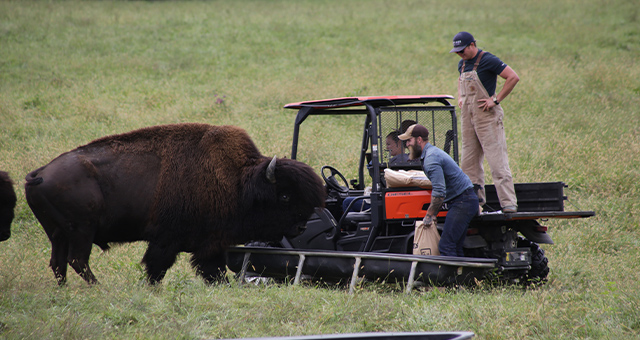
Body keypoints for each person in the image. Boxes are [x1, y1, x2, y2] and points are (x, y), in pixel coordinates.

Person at [450, 31, 519, 213]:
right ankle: (475, 204)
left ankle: (508, 203)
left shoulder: (488, 60)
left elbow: (513, 77)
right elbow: (460, 82)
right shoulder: (462, 63)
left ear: (472, 45)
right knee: (468, 163)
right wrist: (460, 96)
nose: (460, 54)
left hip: (487, 117)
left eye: (462, 50)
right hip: (468, 117)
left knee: (497, 161)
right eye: (457, 51)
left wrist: (495, 100)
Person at [399, 124, 478, 257]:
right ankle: (462, 276)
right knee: (455, 246)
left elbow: (439, 192)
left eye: (409, 140)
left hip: (462, 202)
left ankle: (450, 277)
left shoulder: (431, 159)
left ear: (419, 140)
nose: (407, 145)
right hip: (465, 200)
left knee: (446, 246)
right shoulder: (431, 153)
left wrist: (429, 215)